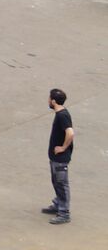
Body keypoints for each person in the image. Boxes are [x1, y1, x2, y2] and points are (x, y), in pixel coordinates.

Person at [44, 88, 74, 224]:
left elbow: (70, 133)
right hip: (55, 158)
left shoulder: (62, 116)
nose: (48, 100)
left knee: (62, 184)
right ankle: (58, 204)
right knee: (56, 182)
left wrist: (63, 147)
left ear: (54, 101)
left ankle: (64, 213)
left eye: (49, 98)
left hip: (60, 159)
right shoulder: (60, 113)